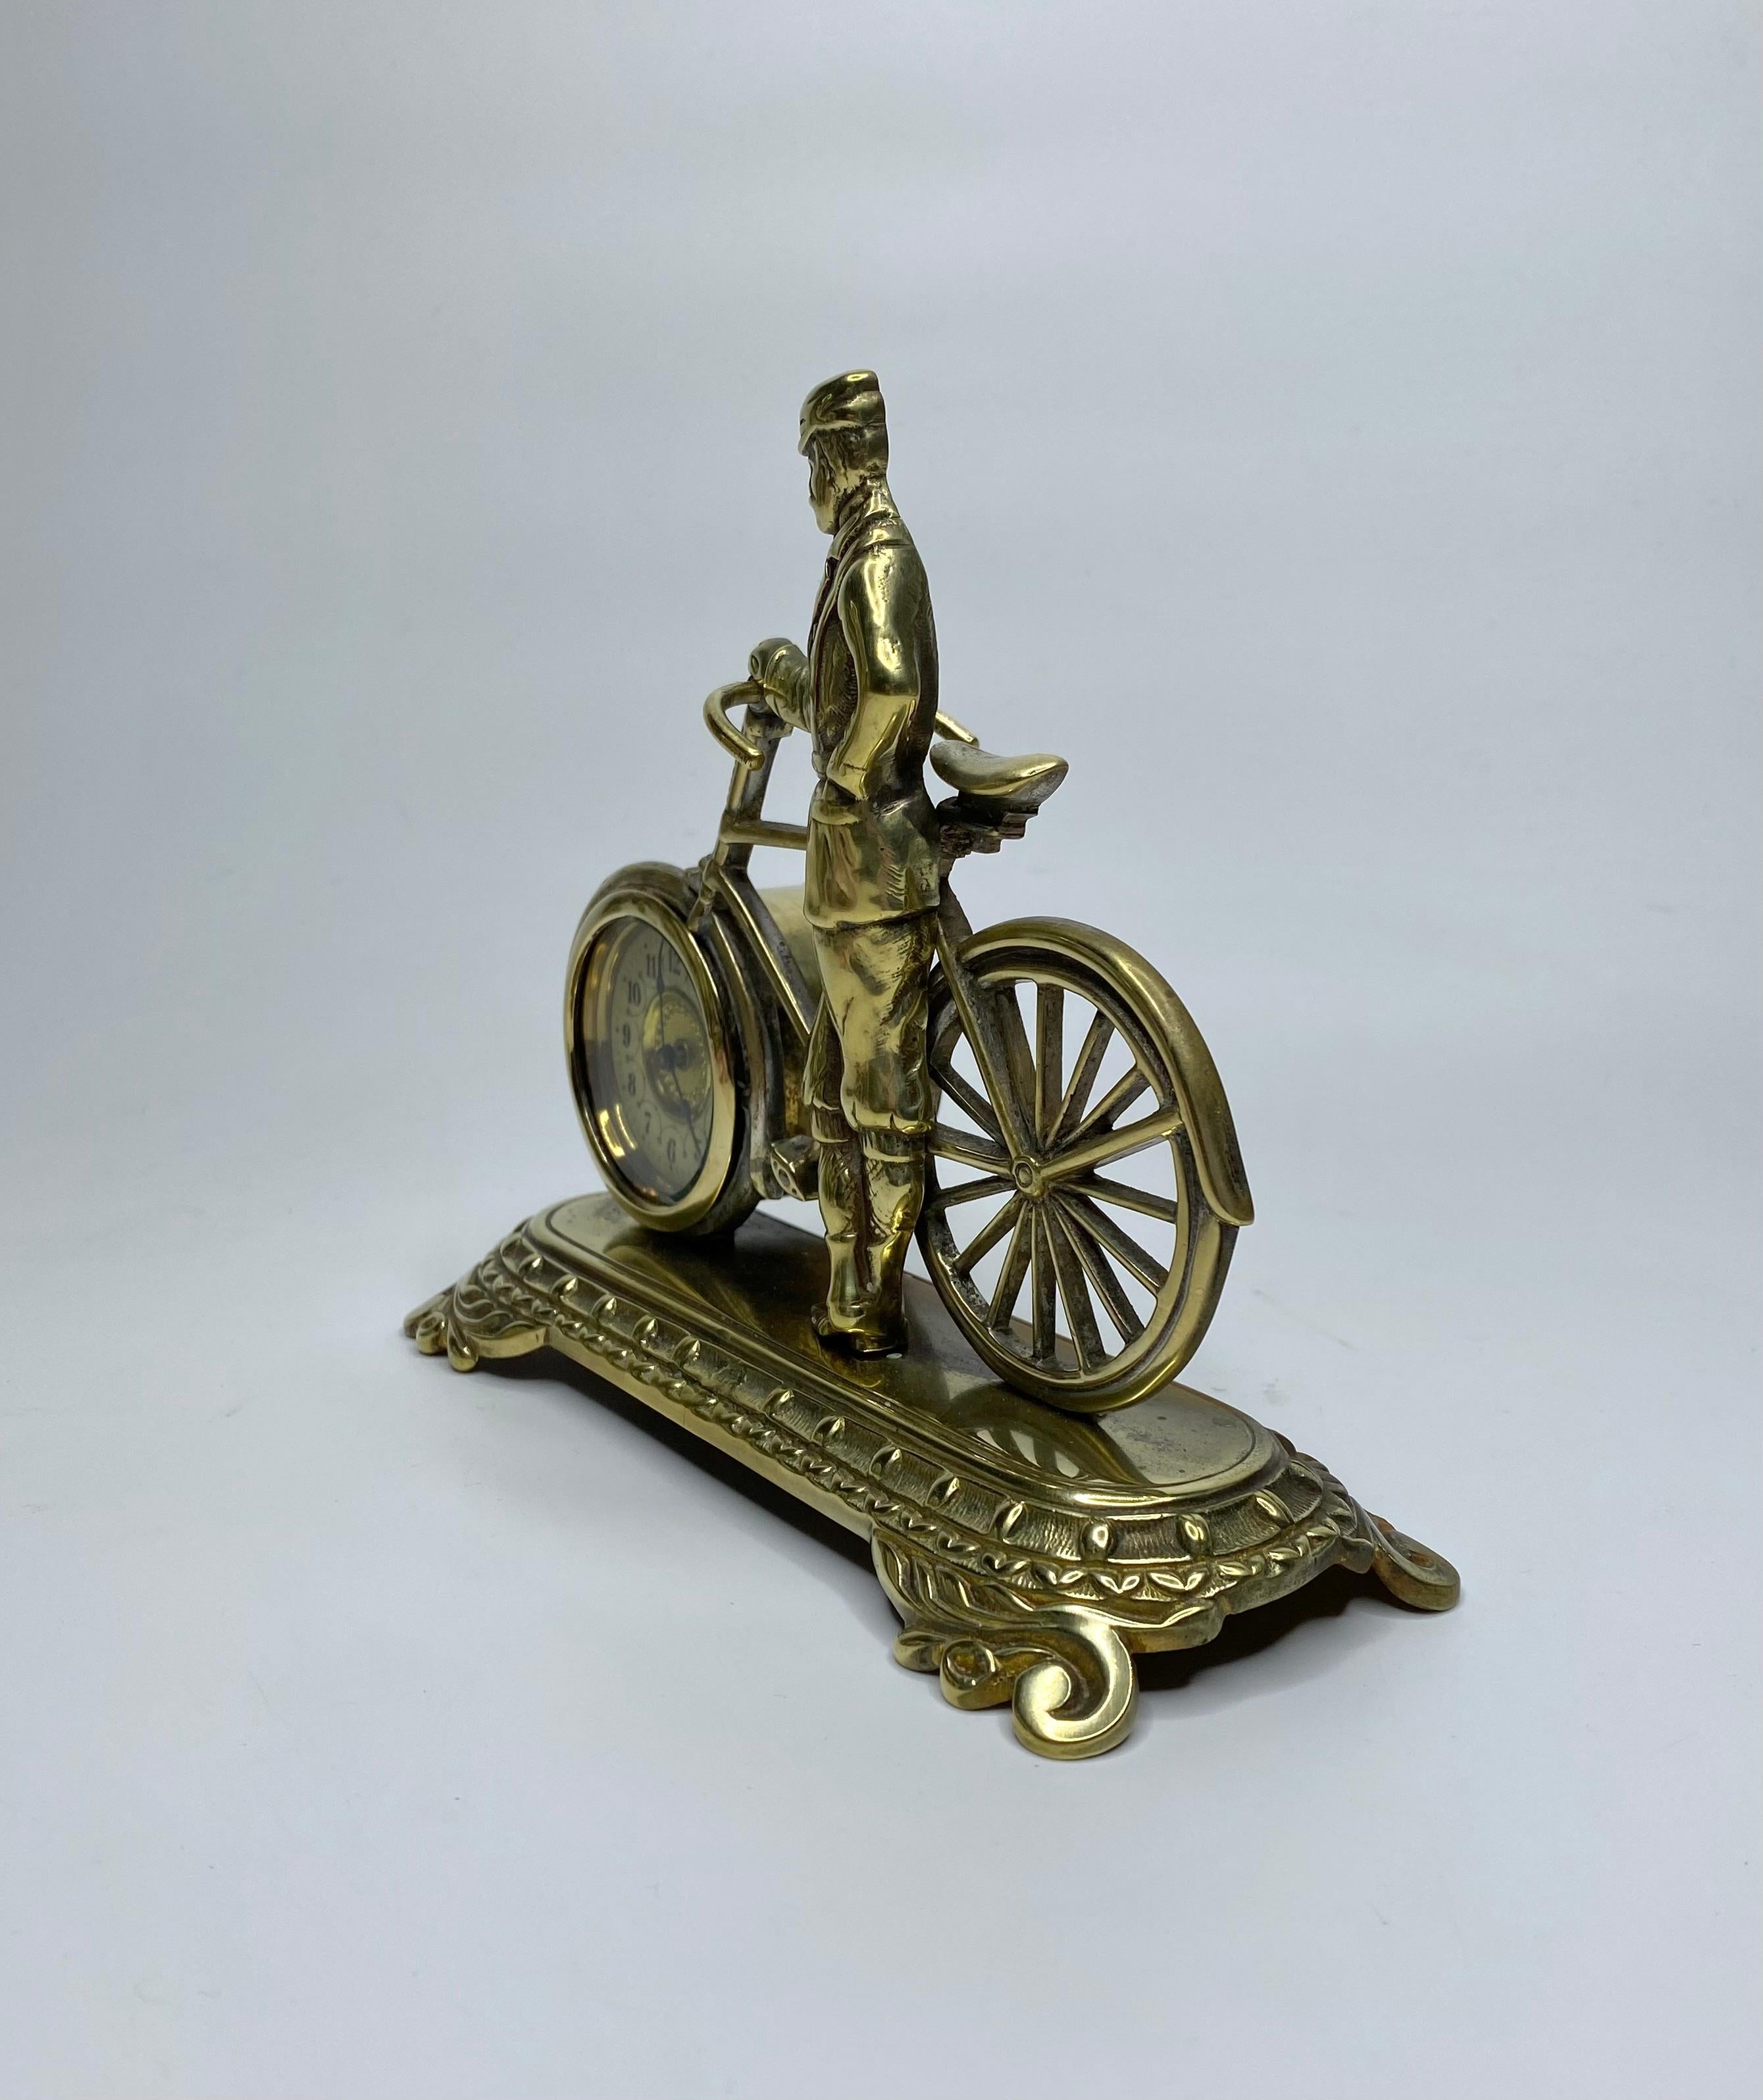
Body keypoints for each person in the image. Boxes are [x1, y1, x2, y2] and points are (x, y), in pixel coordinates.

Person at [747, 371, 940, 1355]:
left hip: (868, 870)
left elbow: (892, 688)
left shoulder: (874, 558)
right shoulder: (859, 552)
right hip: (851, 881)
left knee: (875, 1103)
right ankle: (846, 1278)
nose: (810, 484)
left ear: (837, 460)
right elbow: (859, 683)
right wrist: (797, 693)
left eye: (812, 464)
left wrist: (845, 773)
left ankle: (873, 1300)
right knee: (830, 1095)